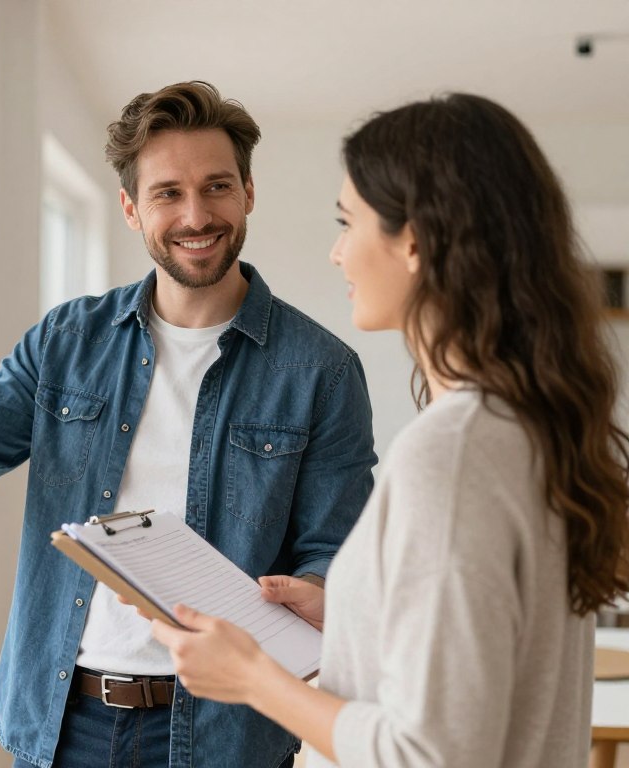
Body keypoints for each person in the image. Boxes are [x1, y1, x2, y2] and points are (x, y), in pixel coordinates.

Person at [0, 81, 377, 768]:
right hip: (61, 724)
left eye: (217, 187)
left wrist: (314, 592)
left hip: (228, 737)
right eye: (168, 192)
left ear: (248, 192)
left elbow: (334, 556)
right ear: (131, 208)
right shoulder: (66, 342)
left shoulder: (323, 369)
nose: (197, 215)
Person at [151, 92, 629, 768]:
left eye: (349, 222)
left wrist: (253, 678)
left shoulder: (455, 454)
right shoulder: (526, 428)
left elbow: (428, 754)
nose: (337, 252)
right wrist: (351, 617)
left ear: (415, 241)